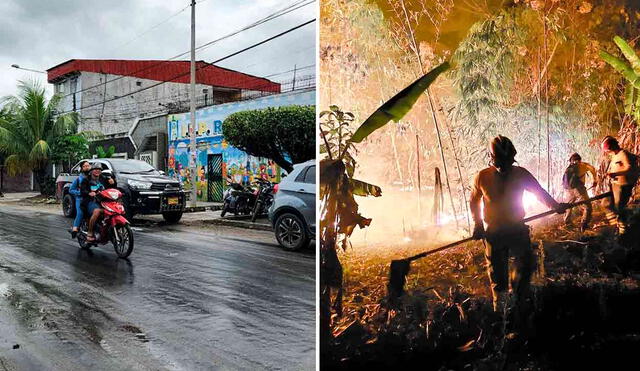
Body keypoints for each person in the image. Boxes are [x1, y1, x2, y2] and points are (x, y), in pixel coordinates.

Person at [470, 135, 568, 314]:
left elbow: (539, 192)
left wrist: (555, 205)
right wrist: (478, 224)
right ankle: (500, 312)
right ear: (491, 158)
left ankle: (519, 303)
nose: (504, 166)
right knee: (497, 274)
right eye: (500, 161)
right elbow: (474, 201)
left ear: (512, 158)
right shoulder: (482, 177)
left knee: (524, 266)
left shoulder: (521, 174)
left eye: (507, 162)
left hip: (517, 229)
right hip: (494, 232)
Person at [601, 136, 639, 234]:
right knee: (605, 203)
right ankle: (615, 224)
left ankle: (623, 230)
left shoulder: (623, 154)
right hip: (615, 184)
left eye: (608, 150)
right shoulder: (615, 156)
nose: (607, 152)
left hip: (623, 185)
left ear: (611, 147)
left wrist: (615, 174)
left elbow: (629, 169)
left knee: (619, 208)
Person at [562, 153, 597, 232]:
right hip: (579, 189)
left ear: (571, 160)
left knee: (568, 207)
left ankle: (567, 225)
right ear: (579, 159)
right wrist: (595, 180)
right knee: (587, 206)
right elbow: (593, 169)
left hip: (567, 190)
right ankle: (584, 226)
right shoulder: (583, 165)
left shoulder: (568, 168)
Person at [80, 165, 105, 242]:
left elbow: (111, 187)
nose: (97, 171)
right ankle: (90, 232)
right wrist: (89, 193)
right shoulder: (86, 180)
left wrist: (113, 182)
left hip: (102, 201)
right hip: (90, 201)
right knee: (97, 211)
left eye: (99, 170)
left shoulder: (103, 179)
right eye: (95, 169)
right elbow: (82, 191)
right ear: (91, 171)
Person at [68, 160, 92, 238]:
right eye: (84, 166)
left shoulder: (94, 177)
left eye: (88, 165)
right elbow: (71, 190)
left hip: (91, 199)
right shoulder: (78, 179)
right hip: (80, 199)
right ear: (81, 168)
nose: (87, 167)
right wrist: (80, 193)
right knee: (80, 213)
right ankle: (75, 229)